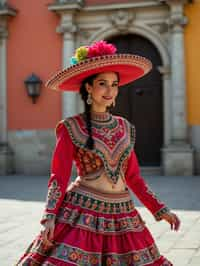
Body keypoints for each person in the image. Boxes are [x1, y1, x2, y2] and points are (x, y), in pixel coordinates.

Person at [16, 40, 180, 266]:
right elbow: (59, 176)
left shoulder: (125, 127)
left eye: (114, 84)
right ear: (88, 88)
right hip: (83, 211)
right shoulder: (71, 127)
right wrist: (49, 217)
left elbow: (133, 177)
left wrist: (159, 209)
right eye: (102, 83)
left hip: (123, 214)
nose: (110, 90)